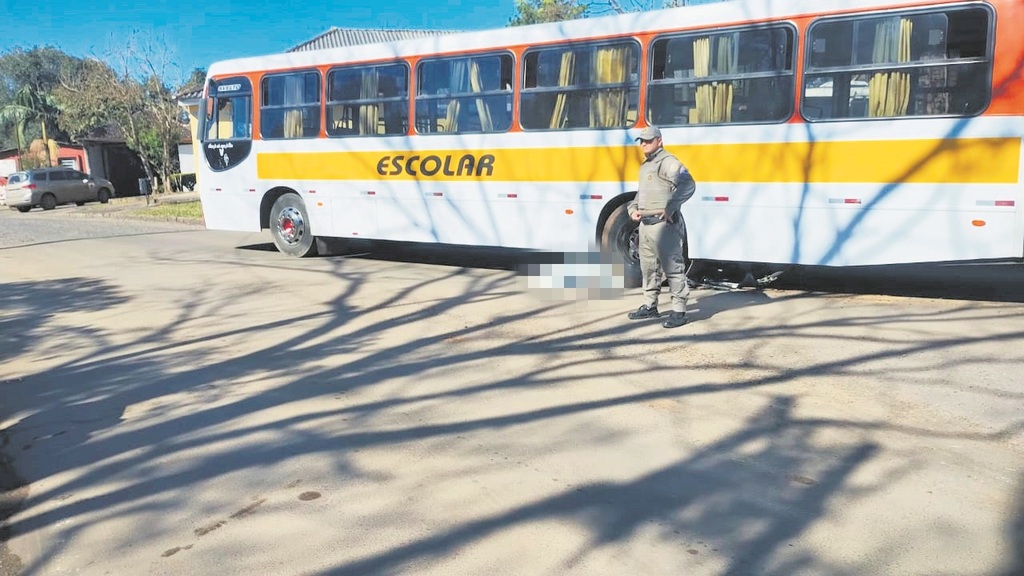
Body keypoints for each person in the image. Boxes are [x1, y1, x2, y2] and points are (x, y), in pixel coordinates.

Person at [626, 125, 696, 329]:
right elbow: (641, 195)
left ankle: (679, 311)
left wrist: (671, 207)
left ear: (659, 140)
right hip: (646, 226)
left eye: (648, 140)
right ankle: (650, 306)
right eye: (642, 141)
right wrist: (632, 209)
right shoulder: (647, 165)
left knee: (673, 269)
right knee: (648, 268)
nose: (644, 144)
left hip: (664, 226)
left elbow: (688, 185)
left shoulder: (668, 162)